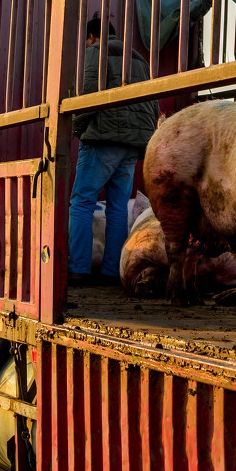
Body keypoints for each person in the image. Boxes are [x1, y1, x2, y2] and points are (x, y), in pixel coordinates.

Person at [69, 16, 158, 286]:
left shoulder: (95, 53)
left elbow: (87, 95)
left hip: (103, 139)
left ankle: (78, 269)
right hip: (132, 144)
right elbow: (151, 101)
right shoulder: (139, 59)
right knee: (119, 208)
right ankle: (112, 272)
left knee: (82, 202)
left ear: (92, 37)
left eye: (86, 41)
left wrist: (77, 128)